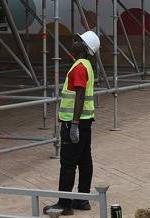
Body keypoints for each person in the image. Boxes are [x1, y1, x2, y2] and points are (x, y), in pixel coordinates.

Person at [45, 30, 100, 215]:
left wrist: (74, 124)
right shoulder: (87, 65)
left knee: (68, 163)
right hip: (85, 121)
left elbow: (80, 95)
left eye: (78, 41)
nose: (74, 41)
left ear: (84, 48)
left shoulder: (79, 67)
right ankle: (83, 199)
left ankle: (64, 203)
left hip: (74, 123)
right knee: (84, 160)